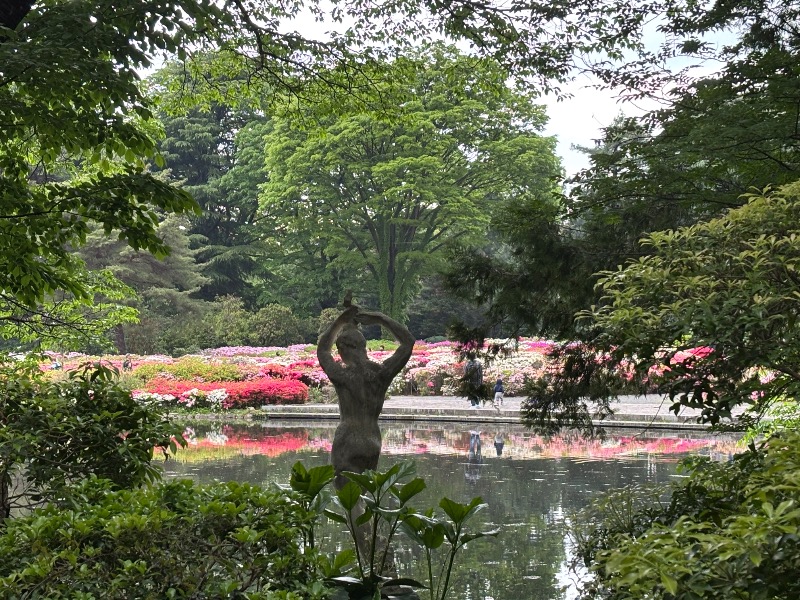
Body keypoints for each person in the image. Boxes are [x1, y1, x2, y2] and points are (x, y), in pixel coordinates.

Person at [317, 304, 415, 488]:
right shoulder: (381, 374)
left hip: (348, 438)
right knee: (364, 498)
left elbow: (322, 350)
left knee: (349, 502)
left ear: (345, 349)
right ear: (364, 347)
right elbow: (408, 342)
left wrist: (340, 321)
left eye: (339, 350)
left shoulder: (343, 376)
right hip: (371, 441)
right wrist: (380, 318)